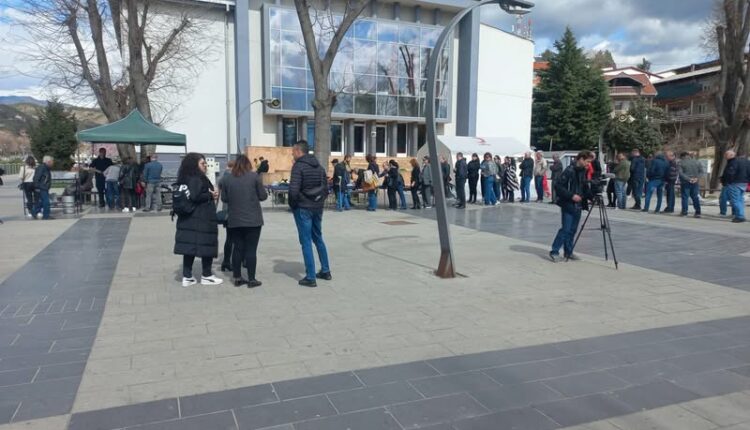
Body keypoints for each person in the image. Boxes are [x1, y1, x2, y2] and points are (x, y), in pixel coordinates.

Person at [174, 152, 223, 287]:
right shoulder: (196, 178)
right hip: (201, 218)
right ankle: (207, 275)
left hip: (189, 218)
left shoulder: (185, 177)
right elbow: (196, 196)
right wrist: (210, 195)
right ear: (194, 165)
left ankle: (187, 276)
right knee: (207, 245)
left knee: (189, 248)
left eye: (206, 163)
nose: (205, 166)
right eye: (202, 163)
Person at [289, 141, 331, 287]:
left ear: (299, 151)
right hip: (317, 208)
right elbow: (326, 189)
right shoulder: (319, 167)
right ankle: (325, 270)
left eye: (293, 151)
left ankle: (310, 276)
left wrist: (293, 206)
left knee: (306, 241)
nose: (292, 154)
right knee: (318, 238)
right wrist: (319, 202)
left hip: (303, 208)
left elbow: (293, 191)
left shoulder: (298, 166)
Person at [221, 155, 267, 287]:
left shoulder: (227, 178)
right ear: (248, 164)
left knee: (238, 248)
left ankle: (237, 277)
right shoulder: (254, 177)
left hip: (235, 219)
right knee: (251, 250)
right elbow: (263, 196)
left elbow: (224, 198)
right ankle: (252, 279)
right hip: (253, 220)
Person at [549, 151, 593, 262]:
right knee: (565, 229)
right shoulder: (569, 170)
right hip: (568, 204)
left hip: (578, 205)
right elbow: (558, 186)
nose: (588, 164)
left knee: (573, 230)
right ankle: (554, 251)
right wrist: (571, 196)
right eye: (587, 161)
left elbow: (584, 187)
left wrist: (591, 196)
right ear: (581, 159)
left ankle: (568, 252)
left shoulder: (583, 171)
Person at [721, 150, 748, 223]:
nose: (725, 156)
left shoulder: (733, 162)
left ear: (731, 155)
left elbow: (730, 173)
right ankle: (740, 215)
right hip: (744, 183)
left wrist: (727, 181)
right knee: (740, 200)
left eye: (726, 155)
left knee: (735, 200)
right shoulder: (746, 162)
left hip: (734, 183)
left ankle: (739, 216)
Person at [219, 160, 236, 272]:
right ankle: (237, 260)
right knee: (237, 238)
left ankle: (226, 260)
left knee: (229, 238)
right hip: (234, 211)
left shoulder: (223, 178)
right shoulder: (232, 177)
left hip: (226, 211)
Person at [678, 152, 704, 218]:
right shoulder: (697, 162)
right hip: (695, 182)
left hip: (685, 182)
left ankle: (684, 212)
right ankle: (698, 212)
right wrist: (696, 178)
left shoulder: (680, 162)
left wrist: (689, 179)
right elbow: (701, 172)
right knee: (695, 197)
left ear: (682, 156)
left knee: (685, 197)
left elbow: (681, 173)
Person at [32, 155, 53, 220]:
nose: (52, 163)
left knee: (41, 202)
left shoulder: (46, 168)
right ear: (48, 161)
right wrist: (40, 186)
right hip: (42, 188)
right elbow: (36, 179)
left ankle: (34, 212)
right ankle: (46, 216)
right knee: (46, 202)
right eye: (51, 161)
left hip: (44, 188)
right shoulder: (41, 168)